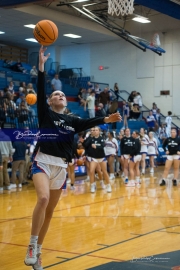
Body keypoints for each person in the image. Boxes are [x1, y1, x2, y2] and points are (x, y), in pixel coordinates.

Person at [24, 46, 121, 269]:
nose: (59, 95)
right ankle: (31, 244)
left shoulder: (72, 120)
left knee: (49, 213)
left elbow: (89, 123)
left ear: (65, 102)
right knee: (43, 199)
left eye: (61, 95)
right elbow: (40, 85)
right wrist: (41, 66)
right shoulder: (45, 113)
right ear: (49, 101)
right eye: (55, 94)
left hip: (61, 166)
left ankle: (38, 251)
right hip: (43, 161)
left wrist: (106, 119)